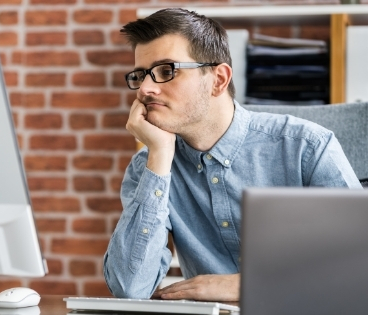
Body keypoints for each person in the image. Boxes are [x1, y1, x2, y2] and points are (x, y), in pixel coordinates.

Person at [103, 8, 361, 302]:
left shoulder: (307, 147)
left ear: (218, 80)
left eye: (166, 71)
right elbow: (129, 288)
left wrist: (250, 285)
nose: (145, 89)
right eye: (140, 75)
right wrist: (160, 155)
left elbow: (358, 269)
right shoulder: (149, 168)